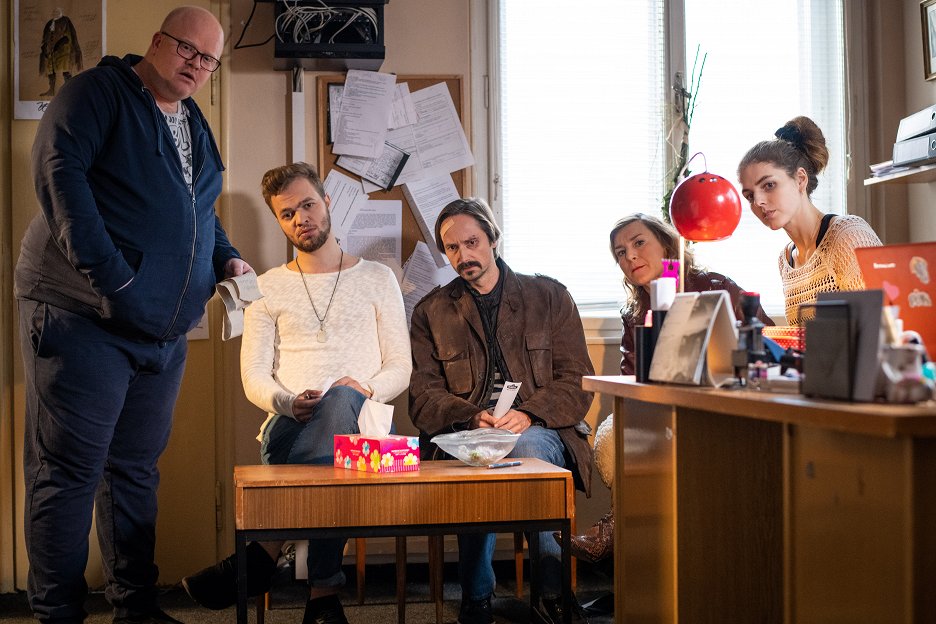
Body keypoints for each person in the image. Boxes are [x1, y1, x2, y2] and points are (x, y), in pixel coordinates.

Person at [14, 7, 252, 624]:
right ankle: (57, 615)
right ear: (156, 41)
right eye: (186, 49)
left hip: (160, 332)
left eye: (208, 59)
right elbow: (60, 178)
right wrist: (116, 280)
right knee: (68, 472)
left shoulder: (192, 120)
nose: (195, 64)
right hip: (81, 317)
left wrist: (225, 257)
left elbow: (199, 210)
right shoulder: (96, 93)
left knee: (134, 472)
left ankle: (135, 609)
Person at [182, 162, 412, 624]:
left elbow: (400, 367)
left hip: (363, 434)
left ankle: (264, 552)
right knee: (328, 436)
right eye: (287, 214)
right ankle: (323, 597)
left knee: (342, 401)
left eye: (307, 205)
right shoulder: (266, 288)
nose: (300, 219)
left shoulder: (378, 278)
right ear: (279, 221)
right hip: (288, 427)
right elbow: (254, 377)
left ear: (326, 202)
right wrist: (288, 402)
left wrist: (363, 387)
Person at [409, 198, 595, 624]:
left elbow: (576, 380)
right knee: (476, 457)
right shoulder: (430, 311)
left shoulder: (549, 296)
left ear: (494, 239)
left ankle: (552, 592)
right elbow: (423, 396)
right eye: (452, 248)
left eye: (472, 242)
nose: (463, 255)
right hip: (466, 433)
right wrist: (472, 416)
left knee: (527, 449)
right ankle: (477, 599)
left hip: (540, 429)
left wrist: (529, 414)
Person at [564, 213, 773, 564]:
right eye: (620, 252)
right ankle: (639, 553)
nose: (630, 256)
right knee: (626, 436)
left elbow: (762, 343)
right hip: (657, 406)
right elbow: (632, 376)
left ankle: (614, 534)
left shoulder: (713, 286)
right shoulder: (634, 312)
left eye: (639, 243)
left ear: (667, 244)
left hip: (719, 403)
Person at [738, 115, 882, 324]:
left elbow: (881, 326)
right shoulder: (785, 260)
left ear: (800, 180)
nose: (758, 201)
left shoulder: (847, 236)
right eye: (750, 196)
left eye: (769, 185)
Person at [38, 7, 83, 97]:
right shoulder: (49, 23)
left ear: (61, 12)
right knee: (51, 70)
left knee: (65, 70)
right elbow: (45, 37)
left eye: (57, 12)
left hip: (63, 51)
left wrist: (59, 44)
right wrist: (45, 47)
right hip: (51, 51)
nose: (55, 13)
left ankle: (69, 90)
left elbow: (68, 36)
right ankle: (51, 90)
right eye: (54, 12)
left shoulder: (66, 21)